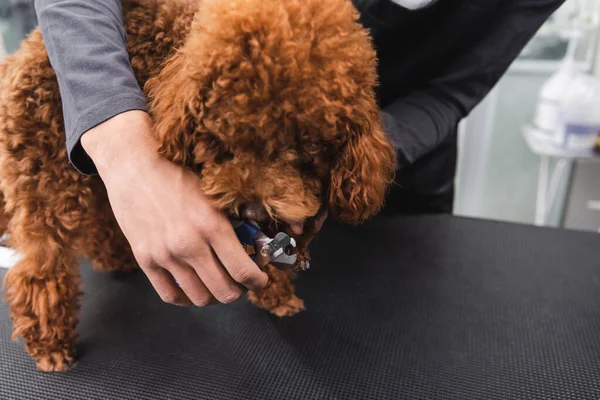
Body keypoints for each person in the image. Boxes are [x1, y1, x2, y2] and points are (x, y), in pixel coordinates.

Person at [33, 0, 563, 306]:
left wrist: (346, 165)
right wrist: (129, 155)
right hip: (229, 120)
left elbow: (451, 89)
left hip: (391, 164)